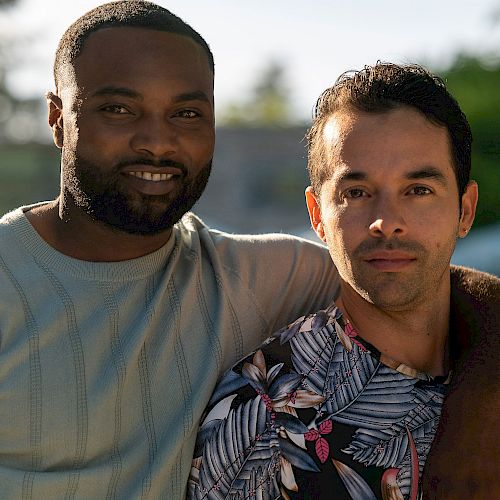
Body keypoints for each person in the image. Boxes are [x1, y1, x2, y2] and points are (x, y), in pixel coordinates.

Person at [0, 2, 495, 498]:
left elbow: (435, 283)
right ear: (57, 118)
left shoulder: (264, 273)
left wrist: (475, 418)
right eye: (119, 109)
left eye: (187, 113)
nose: (156, 142)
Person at [188, 63, 500, 499]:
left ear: (465, 210)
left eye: (418, 190)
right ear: (317, 215)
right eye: (356, 192)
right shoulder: (262, 416)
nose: (386, 221)